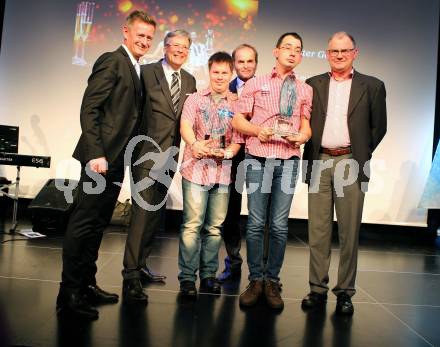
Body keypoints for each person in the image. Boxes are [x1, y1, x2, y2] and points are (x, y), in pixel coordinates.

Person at [57, 10, 156, 319]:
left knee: (98, 224)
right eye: (139, 34)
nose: (143, 40)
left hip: (114, 161)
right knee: (83, 224)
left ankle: (86, 284)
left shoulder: (136, 67)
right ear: (125, 33)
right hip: (100, 159)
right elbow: (90, 109)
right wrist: (96, 153)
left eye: (149, 37)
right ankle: (69, 293)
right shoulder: (112, 60)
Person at [301, 32, 387, 315]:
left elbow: (378, 128)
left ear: (355, 52)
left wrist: (360, 152)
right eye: (334, 51)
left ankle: (345, 292)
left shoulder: (372, 86)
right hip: (320, 160)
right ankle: (317, 289)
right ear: (327, 53)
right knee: (318, 231)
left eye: (344, 50)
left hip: (350, 161)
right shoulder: (312, 84)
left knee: (349, 232)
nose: (339, 55)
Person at [232, 32, 312, 310]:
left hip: (288, 161)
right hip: (258, 157)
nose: (292, 52)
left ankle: (272, 281)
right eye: (287, 47)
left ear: (301, 56)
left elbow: (306, 126)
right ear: (276, 51)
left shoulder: (305, 89)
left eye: (298, 49)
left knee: (279, 225)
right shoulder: (255, 83)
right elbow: (238, 120)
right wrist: (257, 130)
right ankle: (255, 280)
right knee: (255, 223)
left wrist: (302, 137)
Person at [121, 30, 196, 302]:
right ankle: (130, 275)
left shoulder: (190, 79)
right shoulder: (146, 71)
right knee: (141, 215)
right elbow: (133, 109)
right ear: (165, 48)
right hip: (145, 153)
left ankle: (141, 265)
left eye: (185, 46)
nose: (180, 50)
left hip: (171, 155)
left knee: (155, 214)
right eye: (175, 45)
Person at [178, 52, 243, 298]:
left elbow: (238, 138)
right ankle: (186, 278)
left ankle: (207, 276)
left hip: (222, 173)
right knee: (191, 225)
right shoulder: (195, 99)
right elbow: (185, 125)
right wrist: (195, 144)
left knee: (215, 228)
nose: (219, 76)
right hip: (195, 168)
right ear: (209, 71)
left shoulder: (237, 103)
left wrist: (228, 153)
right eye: (215, 72)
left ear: (231, 74)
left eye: (224, 72)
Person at [217, 44, 258, 283]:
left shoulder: (265, 89)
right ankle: (233, 263)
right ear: (233, 64)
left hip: (258, 158)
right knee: (230, 213)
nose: (245, 66)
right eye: (240, 62)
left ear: (256, 64)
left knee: (259, 215)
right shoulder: (224, 89)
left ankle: (261, 273)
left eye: (249, 61)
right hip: (231, 159)